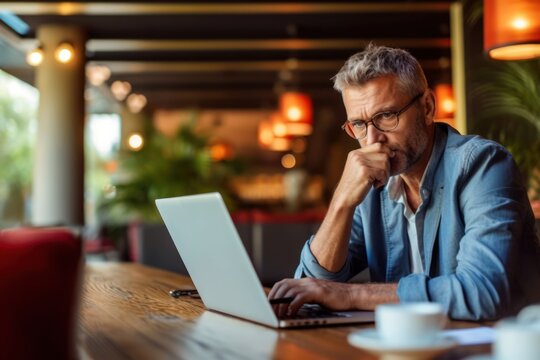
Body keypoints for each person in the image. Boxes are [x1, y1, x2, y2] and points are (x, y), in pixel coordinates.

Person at [268, 44, 540, 321]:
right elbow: (312, 284)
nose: (372, 140)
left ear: (427, 107)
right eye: (359, 125)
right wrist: (342, 201)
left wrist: (351, 294)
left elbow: (483, 293)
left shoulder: (483, 165)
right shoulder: (373, 184)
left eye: (386, 116)